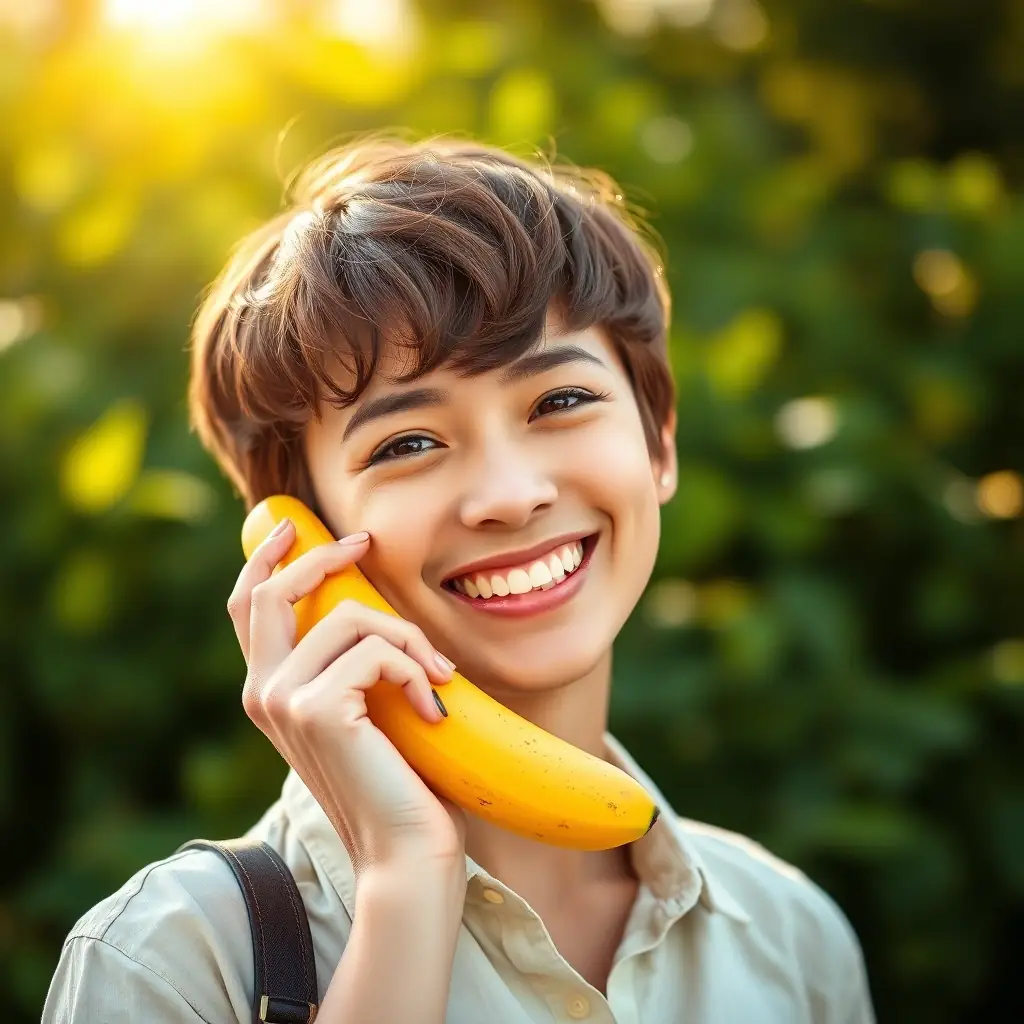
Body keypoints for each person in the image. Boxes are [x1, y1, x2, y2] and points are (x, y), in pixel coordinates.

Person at [42, 135, 875, 1023]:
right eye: (407, 443)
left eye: (559, 400)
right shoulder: (168, 962)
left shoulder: (791, 939)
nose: (511, 497)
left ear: (658, 440)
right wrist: (406, 881)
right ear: (303, 537)